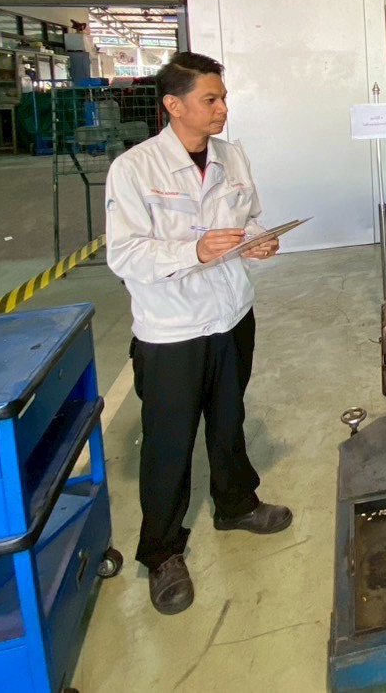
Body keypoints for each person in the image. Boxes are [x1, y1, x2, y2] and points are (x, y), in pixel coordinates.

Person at [105, 51, 292, 615]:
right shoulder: (135, 169)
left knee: (229, 418)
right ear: (173, 104)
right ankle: (161, 550)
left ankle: (236, 504)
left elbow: (247, 215)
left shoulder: (232, 157)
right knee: (169, 441)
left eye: (223, 98)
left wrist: (257, 240)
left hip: (232, 314)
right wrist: (194, 250)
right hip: (173, 328)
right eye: (210, 99)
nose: (222, 109)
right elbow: (124, 254)